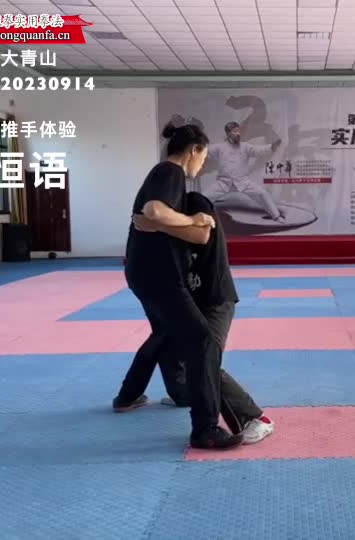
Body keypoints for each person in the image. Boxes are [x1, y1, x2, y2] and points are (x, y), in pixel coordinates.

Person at [113, 123, 241, 450]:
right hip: (159, 276)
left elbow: (153, 219)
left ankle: (129, 395)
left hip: (142, 274)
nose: (203, 164)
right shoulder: (170, 171)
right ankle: (205, 429)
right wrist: (193, 219)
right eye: (204, 156)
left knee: (165, 334)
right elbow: (154, 210)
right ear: (194, 150)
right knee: (203, 342)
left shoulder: (166, 177)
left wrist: (165, 224)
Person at [132, 191, 275, 445]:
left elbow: (201, 234)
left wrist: (155, 224)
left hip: (216, 299)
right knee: (170, 345)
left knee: (204, 361)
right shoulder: (169, 216)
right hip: (192, 299)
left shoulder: (195, 202)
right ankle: (186, 394)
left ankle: (255, 417)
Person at [201, 121, 286, 223]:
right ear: (228, 133)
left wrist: (271, 147)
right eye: (235, 131)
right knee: (203, 197)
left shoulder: (245, 147)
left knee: (262, 194)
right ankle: (193, 214)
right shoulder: (219, 147)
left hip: (243, 182)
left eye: (238, 131)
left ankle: (276, 216)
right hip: (224, 182)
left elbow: (259, 150)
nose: (238, 134)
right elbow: (205, 150)